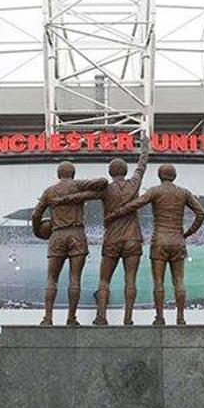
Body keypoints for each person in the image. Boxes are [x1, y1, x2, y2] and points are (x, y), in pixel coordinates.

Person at [51, 138, 149, 325]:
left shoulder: (106, 189)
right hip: (132, 238)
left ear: (110, 173)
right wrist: (145, 148)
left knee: (104, 280)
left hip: (112, 238)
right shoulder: (134, 184)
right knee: (130, 280)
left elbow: (84, 196)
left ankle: (101, 316)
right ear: (125, 172)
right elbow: (142, 166)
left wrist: (62, 199)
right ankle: (128, 319)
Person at [105, 164, 204, 325]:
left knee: (158, 282)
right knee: (179, 281)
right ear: (174, 176)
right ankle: (180, 318)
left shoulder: (154, 191)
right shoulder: (183, 192)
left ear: (160, 176)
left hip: (159, 241)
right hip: (177, 240)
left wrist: (115, 214)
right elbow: (201, 213)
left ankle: (160, 318)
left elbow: (135, 204)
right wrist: (188, 233)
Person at [31, 162, 107, 326]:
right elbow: (102, 182)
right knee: (75, 279)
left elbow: (36, 215)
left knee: (52, 279)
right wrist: (82, 193)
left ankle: (48, 318)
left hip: (57, 235)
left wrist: (38, 231)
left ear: (59, 175)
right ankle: (71, 318)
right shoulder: (77, 185)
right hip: (76, 235)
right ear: (72, 174)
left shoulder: (49, 191)